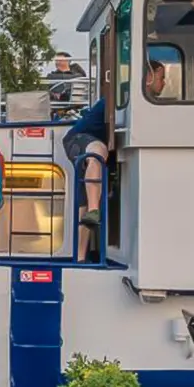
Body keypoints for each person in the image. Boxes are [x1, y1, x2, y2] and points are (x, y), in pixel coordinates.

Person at [63, 59, 165, 261]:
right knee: (97, 152)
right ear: (148, 78)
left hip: (94, 150)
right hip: (78, 139)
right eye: (162, 78)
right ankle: (94, 211)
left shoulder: (139, 101)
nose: (164, 84)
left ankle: (80, 256)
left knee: (87, 194)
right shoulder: (123, 96)